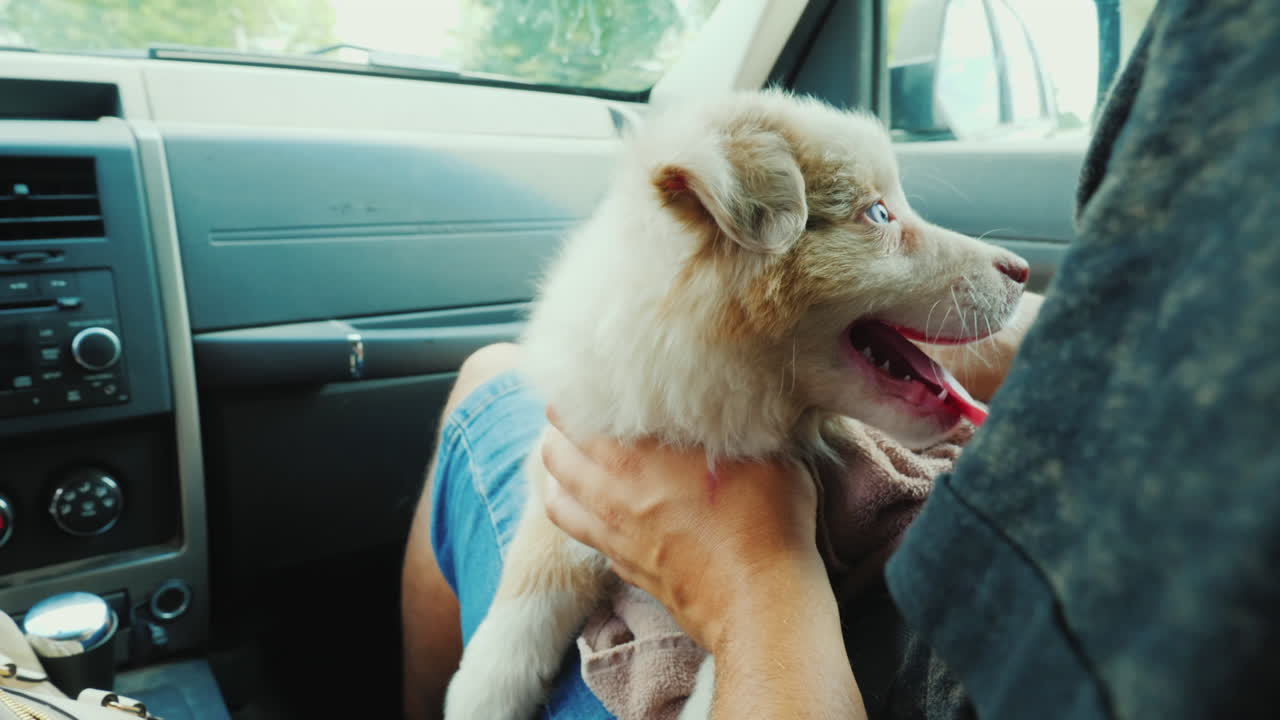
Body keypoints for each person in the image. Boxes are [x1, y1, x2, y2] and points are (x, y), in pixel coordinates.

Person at [402, 0, 1280, 717]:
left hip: (835, 671)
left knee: (489, 380)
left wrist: (754, 577)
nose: (1001, 263)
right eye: (877, 216)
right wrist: (1054, 340)